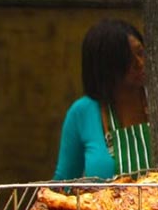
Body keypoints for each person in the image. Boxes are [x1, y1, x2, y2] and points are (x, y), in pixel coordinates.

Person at [54, 18, 150, 180]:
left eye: (141, 53)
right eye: (128, 59)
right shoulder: (83, 112)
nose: (140, 63)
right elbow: (64, 184)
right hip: (104, 205)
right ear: (106, 66)